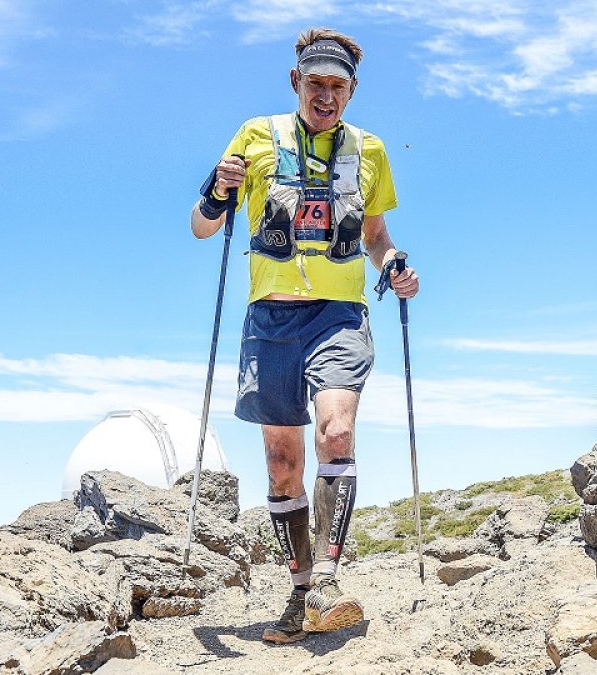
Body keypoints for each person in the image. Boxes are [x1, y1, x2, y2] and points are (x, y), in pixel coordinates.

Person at [190, 27, 419, 644]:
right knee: (282, 464)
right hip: (270, 321)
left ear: (351, 91)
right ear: (296, 82)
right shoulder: (255, 137)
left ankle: (328, 580)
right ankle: (298, 594)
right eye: (315, 82)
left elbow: (374, 232)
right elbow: (203, 228)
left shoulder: (369, 151)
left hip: (338, 315)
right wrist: (216, 188)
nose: (325, 94)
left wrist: (394, 263)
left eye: (336, 85)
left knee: (336, 431)